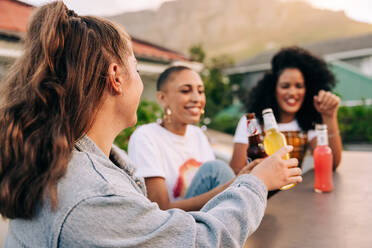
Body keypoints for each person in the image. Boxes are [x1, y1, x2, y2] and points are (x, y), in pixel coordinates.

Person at [0, 2, 302, 247]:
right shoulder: (92, 195)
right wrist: (256, 183)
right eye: (136, 68)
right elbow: (202, 242)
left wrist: (244, 180)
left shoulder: (83, 162)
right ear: (116, 77)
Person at [129, 66, 242, 211]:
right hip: (174, 225)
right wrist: (227, 189)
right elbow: (160, 209)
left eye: (200, 91)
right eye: (185, 91)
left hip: (204, 218)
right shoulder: (145, 136)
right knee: (217, 169)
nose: (196, 98)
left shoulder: (197, 135)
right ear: (162, 98)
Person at [230, 46, 342, 175]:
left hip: (292, 193)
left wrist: (330, 116)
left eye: (299, 86)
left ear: (308, 90)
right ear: (273, 89)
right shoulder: (251, 122)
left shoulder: (307, 123)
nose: (293, 92)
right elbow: (235, 171)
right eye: (285, 86)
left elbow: (331, 164)